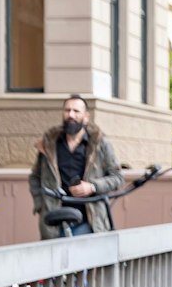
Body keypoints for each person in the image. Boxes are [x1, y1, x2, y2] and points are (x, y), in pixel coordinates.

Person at [29, 94, 124, 239]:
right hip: (55, 222)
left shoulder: (100, 144)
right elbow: (35, 177)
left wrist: (92, 187)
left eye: (76, 111)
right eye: (67, 110)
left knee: (86, 261)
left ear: (86, 117)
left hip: (89, 222)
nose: (71, 115)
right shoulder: (49, 144)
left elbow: (117, 178)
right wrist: (40, 205)